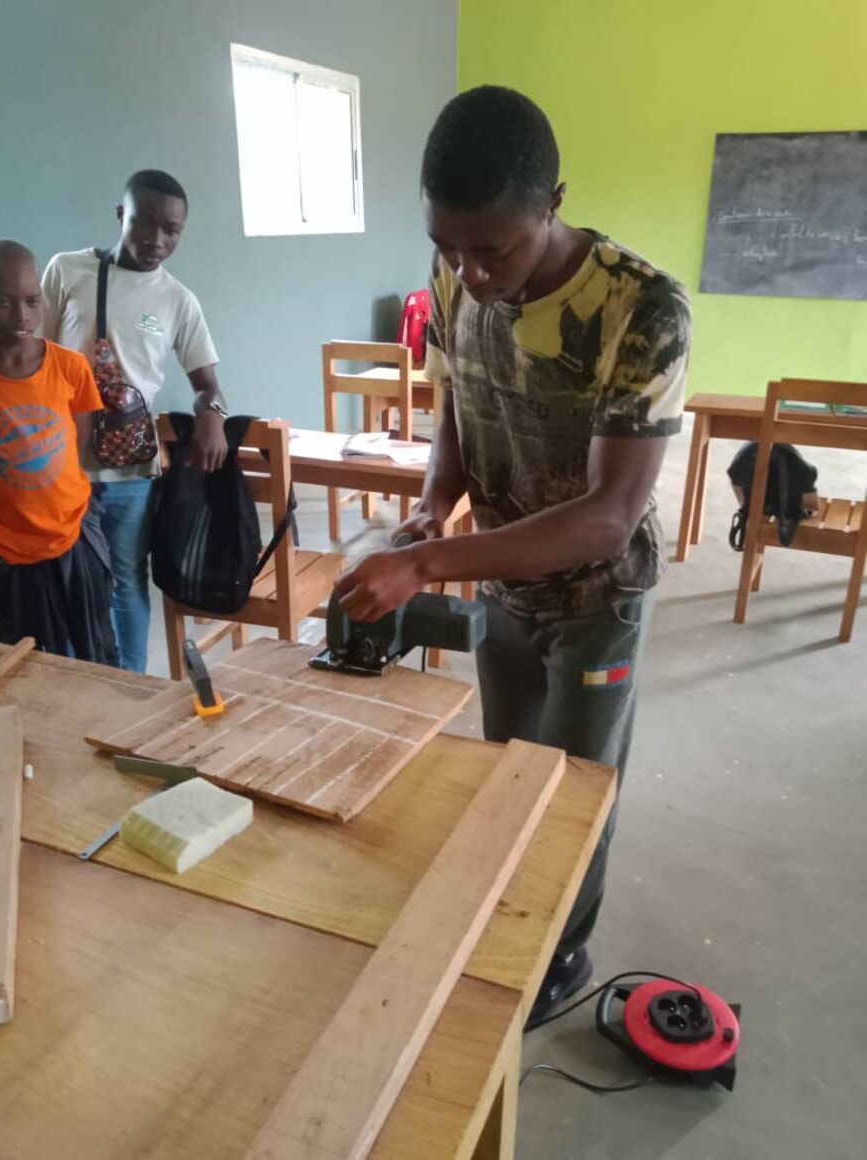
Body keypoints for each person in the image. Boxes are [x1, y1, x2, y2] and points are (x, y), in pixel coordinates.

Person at [335, 87, 691, 1028]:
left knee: (576, 786)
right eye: (448, 248)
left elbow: (609, 517)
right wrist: (429, 510)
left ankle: (560, 952)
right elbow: (459, 396)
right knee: (510, 765)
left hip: (594, 596)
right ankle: (508, 915)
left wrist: (423, 569)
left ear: (553, 202)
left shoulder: (641, 309)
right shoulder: (455, 270)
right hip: (501, 578)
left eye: (492, 250)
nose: (469, 273)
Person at [41, 169, 229, 673]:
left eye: (172, 230)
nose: (157, 240)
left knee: (126, 576)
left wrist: (212, 415)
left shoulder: (178, 300)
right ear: (121, 215)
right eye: (146, 224)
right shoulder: (66, 271)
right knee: (70, 574)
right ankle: (76, 673)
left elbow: (207, 384)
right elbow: (37, 357)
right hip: (62, 466)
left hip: (129, 471)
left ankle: (130, 681)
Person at [0, 241, 116, 662]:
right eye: (4, 303)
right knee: (23, 667)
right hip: (8, 556)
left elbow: (77, 449)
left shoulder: (70, 368)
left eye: (32, 301)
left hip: (74, 539)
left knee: (92, 656)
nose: (22, 316)